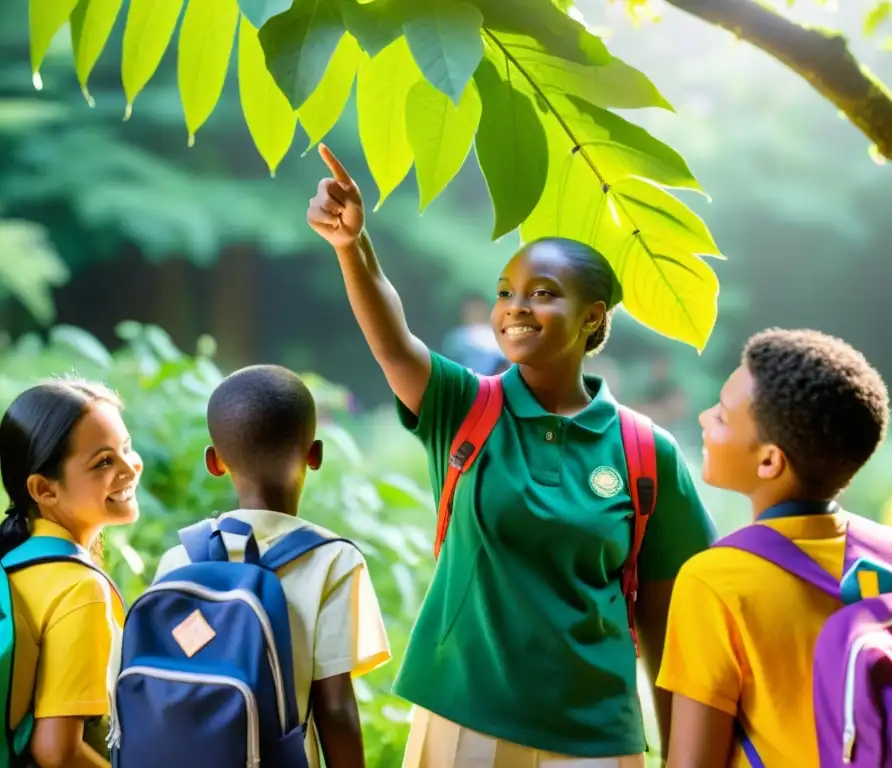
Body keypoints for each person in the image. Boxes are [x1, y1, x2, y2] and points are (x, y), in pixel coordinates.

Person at [307, 144, 716, 766]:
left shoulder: (645, 452)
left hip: (595, 735)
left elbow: (669, 630)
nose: (515, 308)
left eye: (543, 293)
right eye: (506, 292)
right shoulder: (465, 406)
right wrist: (352, 247)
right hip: (464, 718)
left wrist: (681, 759)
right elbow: (394, 345)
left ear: (592, 317)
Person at [656, 329, 892, 767]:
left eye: (720, 415)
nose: (703, 418)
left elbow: (693, 762)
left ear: (770, 461)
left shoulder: (714, 580)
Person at [150, 365, 391, 768]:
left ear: (215, 462)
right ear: (314, 455)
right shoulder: (333, 560)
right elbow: (335, 708)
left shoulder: (179, 559)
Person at [0, 380, 142, 768]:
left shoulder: (12, 562)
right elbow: (58, 752)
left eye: (126, 449)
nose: (130, 468)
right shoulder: (80, 589)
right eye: (103, 462)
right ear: (44, 489)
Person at [441, 293, 509, 375]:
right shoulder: (459, 336)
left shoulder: (502, 333)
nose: (476, 312)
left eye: (478, 308)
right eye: (471, 310)